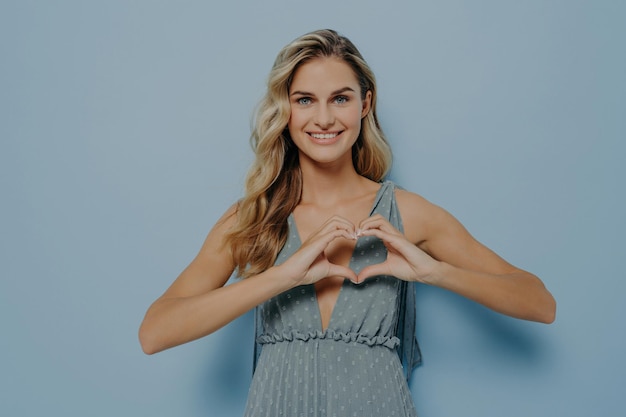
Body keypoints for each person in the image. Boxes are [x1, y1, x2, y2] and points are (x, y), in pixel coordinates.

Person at [139, 29, 556, 416]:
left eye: (340, 98)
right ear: (286, 110)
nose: (323, 118)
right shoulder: (254, 216)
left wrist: (436, 272)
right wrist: (281, 277)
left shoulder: (407, 212)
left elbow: (539, 302)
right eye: (305, 100)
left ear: (365, 104)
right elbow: (155, 332)